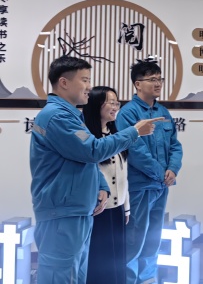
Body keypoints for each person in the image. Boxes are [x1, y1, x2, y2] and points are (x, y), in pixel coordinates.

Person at [30, 55, 163, 284]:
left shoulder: (71, 115)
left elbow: (83, 158)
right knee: (61, 276)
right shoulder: (56, 117)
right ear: (64, 82)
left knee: (76, 275)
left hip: (77, 210)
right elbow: (91, 150)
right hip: (62, 214)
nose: (89, 87)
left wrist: (101, 185)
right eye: (84, 80)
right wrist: (134, 131)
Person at [116, 59, 183, 284]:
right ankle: (128, 280)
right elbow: (136, 151)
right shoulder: (128, 113)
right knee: (134, 238)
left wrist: (173, 168)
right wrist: (160, 173)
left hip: (161, 186)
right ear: (137, 84)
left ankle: (147, 279)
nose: (158, 83)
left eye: (159, 79)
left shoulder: (163, 112)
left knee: (154, 237)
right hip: (140, 186)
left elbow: (175, 145)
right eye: (152, 79)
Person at [82, 86, 130, 284]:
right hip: (98, 211)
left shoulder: (116, 135)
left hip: (117, 209)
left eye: (117, 103)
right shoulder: (87, 139)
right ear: (96, 105)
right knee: (99, 262)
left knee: (117, 260)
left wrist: (126, 207)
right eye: (111, 102)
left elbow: (124, 176)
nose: (115, 107)